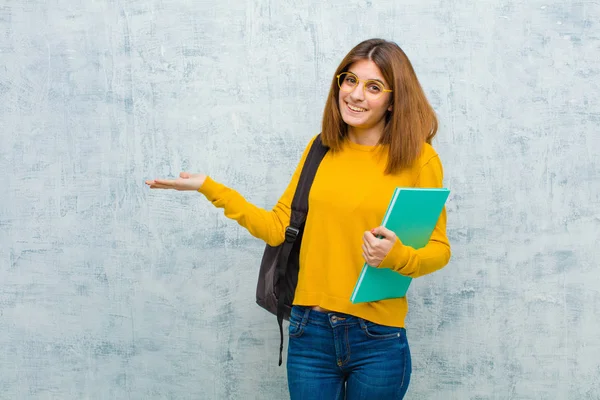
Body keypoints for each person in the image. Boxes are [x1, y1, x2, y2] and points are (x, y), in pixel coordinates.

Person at [146, 38, 451, 400]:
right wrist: (209, 188)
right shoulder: (321, 147)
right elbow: (278, 227)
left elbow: (438, 249)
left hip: (377, 337)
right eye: (349, 80)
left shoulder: (419, 160)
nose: (355, 95)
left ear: (393, 100)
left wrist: (397, 256)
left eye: (373, 87)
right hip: (311, 333)